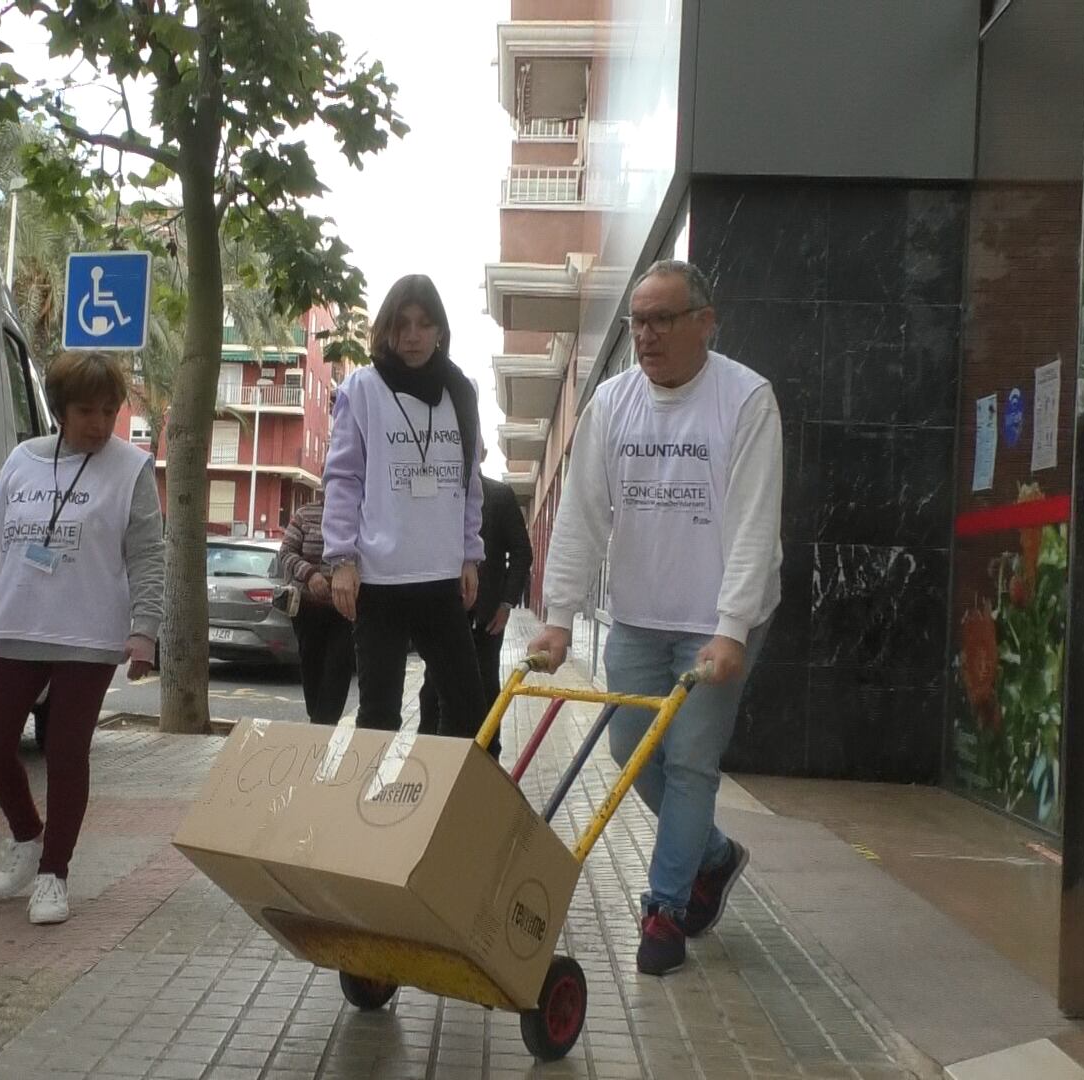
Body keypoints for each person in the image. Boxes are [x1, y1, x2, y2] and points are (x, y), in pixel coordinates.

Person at [528, 260, 782, 978]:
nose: (645, 335)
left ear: (706, 322)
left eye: (662, 319)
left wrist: (732, 627)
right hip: (639, 614)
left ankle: (665, 909)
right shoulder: (610, 404)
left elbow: (756, 521)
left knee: (692, 761)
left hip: (717, 618)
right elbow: (580, 515)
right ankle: (712, 854)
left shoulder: (745, 399)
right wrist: (559, 618)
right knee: (631, 751)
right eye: (637, 321)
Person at [0, 352, 163, 926]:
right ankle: (27, 834)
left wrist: (145, 631)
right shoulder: (23, 460)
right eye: (85, 411)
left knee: (66, 754)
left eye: (109, 411)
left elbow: (148, 554)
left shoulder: (131, 469)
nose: (99, 424)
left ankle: (54, 874)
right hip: (19, 622)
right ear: (59, 409)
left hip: (89, 631)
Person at [322, 274, 487, 736]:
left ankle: (452, 808)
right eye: (401, 324)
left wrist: (470, 554)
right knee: (378, 717)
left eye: (424, 324)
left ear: (440, 331)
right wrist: (341, 559)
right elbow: (342, 478)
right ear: (385, 330)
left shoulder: (461, 390)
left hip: (442, 577)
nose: (412, 336)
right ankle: (368, 808)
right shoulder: (363, 387)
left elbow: (468, 479)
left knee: (469, 713)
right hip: (380, 581)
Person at [419, 445, 533, 757]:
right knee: (433, 692)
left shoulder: (499, 496)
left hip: (485, 622)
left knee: (485, 692)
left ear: (480, 453)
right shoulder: (437, 496)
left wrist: (506, 604)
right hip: (442, 616)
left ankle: (486, 763)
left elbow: (522, 552)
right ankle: (431, 763)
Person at [276, 493, 355, 725]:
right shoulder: (304, 515)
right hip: (308, 610)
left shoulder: (358, 515)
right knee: (312, 667)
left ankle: (323, 724)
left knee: (338, 668)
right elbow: (286, 552)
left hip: (345, 611)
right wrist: (309, 574)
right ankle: (317, 719)